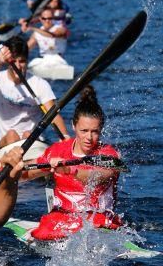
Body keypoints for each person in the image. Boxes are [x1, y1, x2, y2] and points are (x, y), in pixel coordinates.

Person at [22, 86, 122, 241]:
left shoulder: (108, 154)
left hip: (98, 219)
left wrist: (70, 170)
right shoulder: (57, 150)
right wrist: (8, 168)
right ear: (74, 126)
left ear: (101, 130)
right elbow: (24, 174)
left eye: (94, 131)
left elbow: (101, 175)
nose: (89, 137)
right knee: (45, 231)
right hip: (61, 217)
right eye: (84, 130)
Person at [0, 36, 69, 149]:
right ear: (7, 62)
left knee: (28, 135)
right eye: (13, 61)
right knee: (12, 135)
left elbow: (53, 115)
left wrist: (65, 137)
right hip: (5, 143)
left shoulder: (39, 84)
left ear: (27, 61)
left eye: (22, 61)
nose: (18, 66)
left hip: (33, 142)